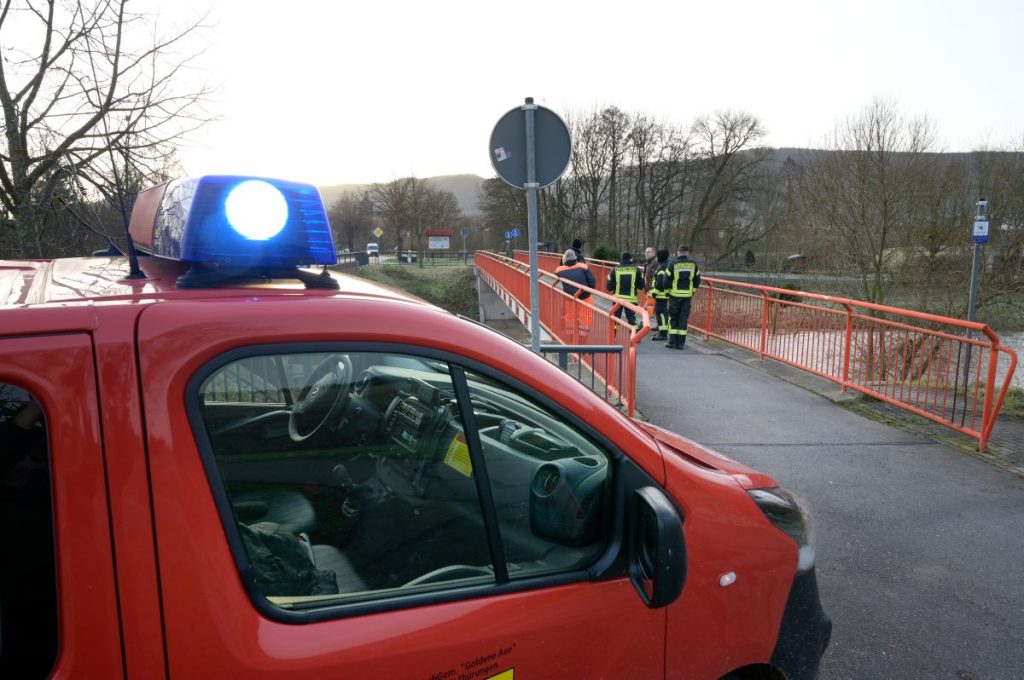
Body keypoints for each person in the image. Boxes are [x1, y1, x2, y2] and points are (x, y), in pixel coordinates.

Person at [665, 244, 701, 349]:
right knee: (683, 318)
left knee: (673, 318)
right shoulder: (693, 265)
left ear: (678, 253)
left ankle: (672, 342)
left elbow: (666, 281)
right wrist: (692, 292)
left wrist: (668, 292)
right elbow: (697, 280)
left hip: (674, 295)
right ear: (687, 253)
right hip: (687, 296)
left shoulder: (672, 264)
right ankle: (681, 343)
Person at [555, 249, 596, 335]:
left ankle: (570, 338)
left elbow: (557, 271)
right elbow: (592, 282)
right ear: (575, 258)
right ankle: (582, 339)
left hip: (570, 298)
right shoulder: (584, 266)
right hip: (585, 297)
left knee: (570, 318)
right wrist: (587, 291)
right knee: (586, 318)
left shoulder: (559, 270)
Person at [606, 251, 645, 330]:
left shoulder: (615, 270)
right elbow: (641, 285)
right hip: (631, 299)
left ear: (622, 259)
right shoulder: (636, 270)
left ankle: (612, 337)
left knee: (615, 319)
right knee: (632, 320)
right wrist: (635, 292)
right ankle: (634, 338)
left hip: (617, 299)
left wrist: (615, 290)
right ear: (630, 259)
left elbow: (609, 287)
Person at [650, 249, 672, 342]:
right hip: (665, 295)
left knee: (661, 314)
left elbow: (659, 283)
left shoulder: (662, 267)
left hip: (661, 295)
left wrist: (654, 293)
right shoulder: (668, 265)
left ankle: (662, 334)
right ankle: (661, 331)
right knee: (663, 313)